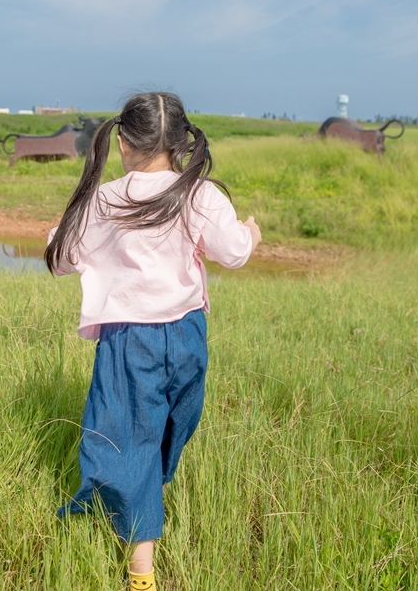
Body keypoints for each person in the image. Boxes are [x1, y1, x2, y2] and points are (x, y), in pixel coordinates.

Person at [45, 92, 261, 590]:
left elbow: (61, 257)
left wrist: (55, 236)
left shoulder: (106, 199)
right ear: (180, 143)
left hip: (129, 340)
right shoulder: (200, 193)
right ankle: (142, 558)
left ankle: (131, 511)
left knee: (129, 437)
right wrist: (251, 233)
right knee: (167, 426)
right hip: (186, 335)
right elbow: (233, 252)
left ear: (122, 144)